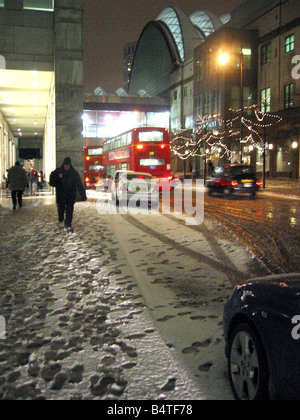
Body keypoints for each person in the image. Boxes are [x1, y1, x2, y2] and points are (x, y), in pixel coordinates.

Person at [50, 157, 87, 231]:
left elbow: (79, 184)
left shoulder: (74, 173)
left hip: (70, 195)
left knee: (69, 210)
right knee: (61, 209)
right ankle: (61, 220)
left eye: (68, 165)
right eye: (65, 165)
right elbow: (52, 182)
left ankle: (68, 224)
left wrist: (83, 195)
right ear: (63, 164)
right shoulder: (58, 171)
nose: (66, 166)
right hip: (61, 195)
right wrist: (59, 178)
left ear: (70, 165)